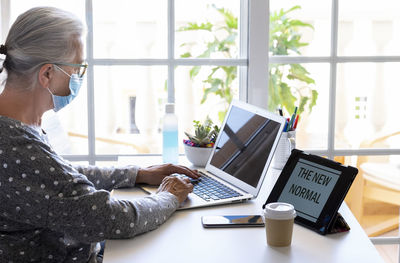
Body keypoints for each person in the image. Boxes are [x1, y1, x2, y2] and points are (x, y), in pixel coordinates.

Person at [0, 6, 198, 263]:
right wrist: (169, 196)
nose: (79, 78)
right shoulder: (14, 145)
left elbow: (59, 177)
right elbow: (111, 219)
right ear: (47, 73)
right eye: (77, 70)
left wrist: (137, 174)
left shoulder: (17, 129)